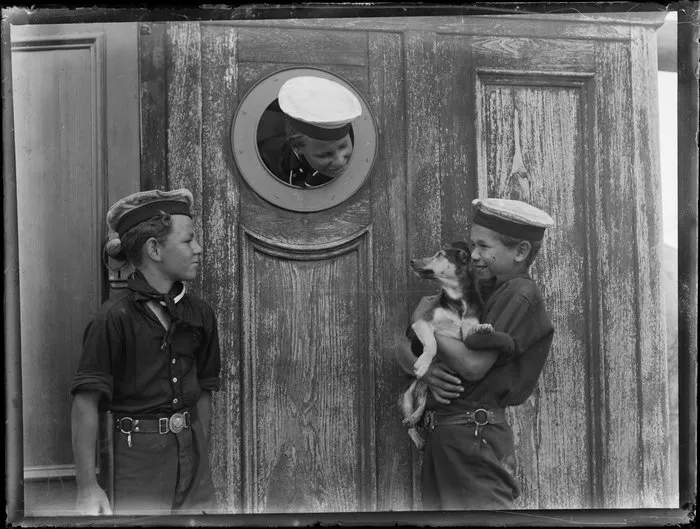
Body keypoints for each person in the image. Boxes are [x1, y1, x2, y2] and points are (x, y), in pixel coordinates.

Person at [396, 197, 555, 510]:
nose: (474, 255)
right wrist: (424, 367)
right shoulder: (475, 290)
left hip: (474, 435)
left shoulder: (519, 294)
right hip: (448, 436)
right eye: (472, 245)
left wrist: (424, 324)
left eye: (483, 246)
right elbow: (402, 347)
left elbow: (472, 366)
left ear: (521, 251)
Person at [70, 188, 222, 515]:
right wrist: (86, 487)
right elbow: (85, 402)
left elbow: (206, 389)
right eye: (187, 241)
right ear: (154, 249)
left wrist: (199, 449)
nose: (198, 249)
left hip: (193, 458)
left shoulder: (201, 314)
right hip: (136, 461)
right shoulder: (113, 319)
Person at [257, 75, 362, 188]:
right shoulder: (270, 158)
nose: (340, 161)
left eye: (343, 146)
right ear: (296, 147)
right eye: (325, 155)